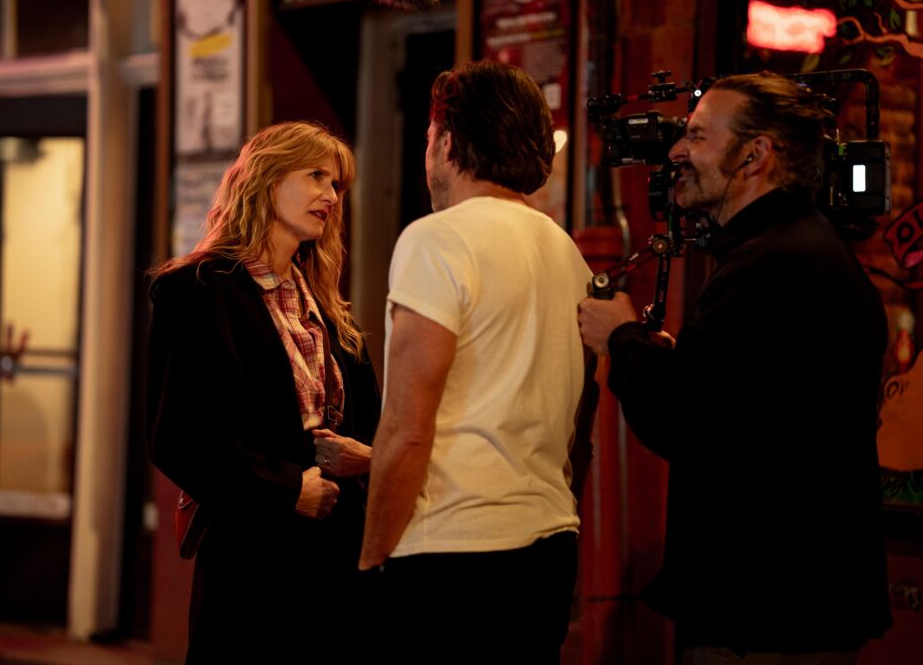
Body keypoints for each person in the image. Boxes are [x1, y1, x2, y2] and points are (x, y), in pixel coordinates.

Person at [577, 72, 891, 663]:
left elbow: (685, 419)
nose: (676, 151)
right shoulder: (803, 250)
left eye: (697, 136)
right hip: (798, 607)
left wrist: (620, 337)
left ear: (755, 155)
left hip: (765, 616)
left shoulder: (771, 264)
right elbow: (751, 410)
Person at [359, 60, 595, 664]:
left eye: (428, 138)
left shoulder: (437, 239)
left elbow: (407, 428)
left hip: (452, 550)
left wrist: (372, 560)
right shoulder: (565, 250)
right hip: (547, 545)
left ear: (446, 142)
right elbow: (578, 423)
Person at [145, 122, 380, 664]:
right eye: (316, 176)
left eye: (337, 184)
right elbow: (176, 437)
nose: (331, 195)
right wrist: (287, 490)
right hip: (251, 562)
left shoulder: (326, 302)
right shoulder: (196, 290)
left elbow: (368, 420)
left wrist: (363, 458)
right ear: (266, 180)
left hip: (339, 564)